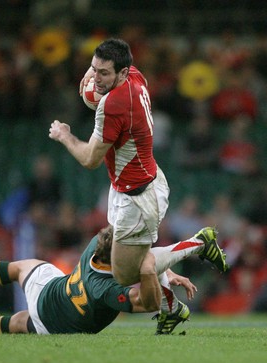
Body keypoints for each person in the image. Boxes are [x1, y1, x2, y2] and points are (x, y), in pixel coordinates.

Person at [49, 38, 228, 311]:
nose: (96, 77)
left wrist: (64, 135)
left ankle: (199, 243)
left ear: (121, 72)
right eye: (94, 69)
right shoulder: (134, 75)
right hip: (136, 182)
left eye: (103, 73)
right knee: (140, 259)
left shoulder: (114, 104)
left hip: (137, 197)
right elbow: (95, 81)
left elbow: (89, 159)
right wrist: (95, 75)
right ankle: (172, 308)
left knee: (126, 274)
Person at [0, 225, 223, 335]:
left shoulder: (95, 248)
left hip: (54, 293)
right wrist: (152, 272)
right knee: (17, 322)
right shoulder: (106, 290)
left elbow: (136, 260)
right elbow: (147, 303)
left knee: (20, 268)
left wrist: (165, 271)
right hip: (54, 323)